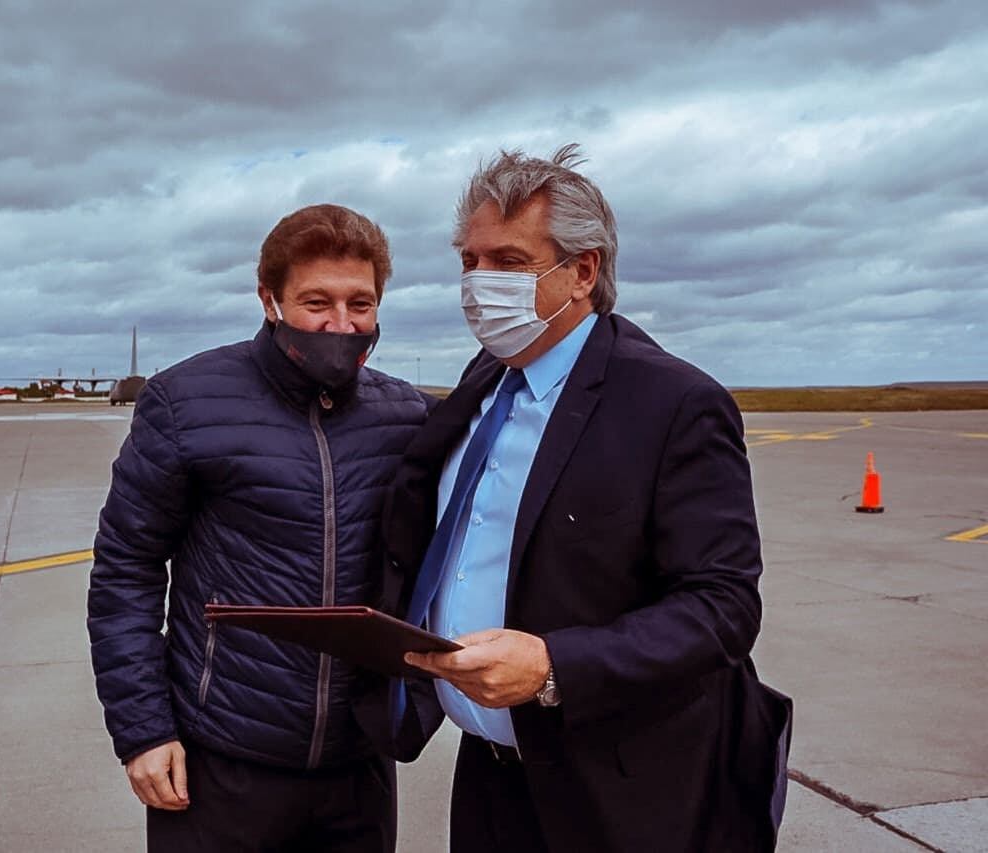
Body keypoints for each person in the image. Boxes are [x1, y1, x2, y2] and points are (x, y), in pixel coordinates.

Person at [379, 147, 792, 851]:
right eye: (469, 261)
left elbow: (724, 606)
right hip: (491, 777)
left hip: (621, 795)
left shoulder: (673, 403)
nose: (480, 284)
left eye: (508, 261)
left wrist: (551, 666)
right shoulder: (487, 379)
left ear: (584, 271)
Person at [87, 204, 429, 852]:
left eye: (362, 303)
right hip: (220, 763)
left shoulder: (406, 415)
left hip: (357, 769)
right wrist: (142, 729)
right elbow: (124, 571)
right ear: (268, 299)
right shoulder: (184, 402)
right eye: (317, 302)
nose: (342, 324)